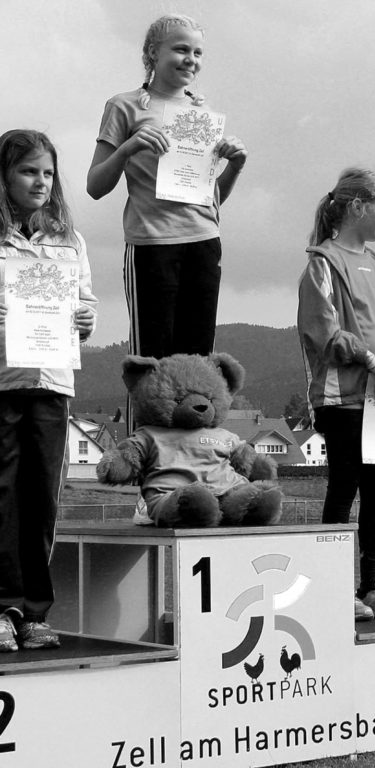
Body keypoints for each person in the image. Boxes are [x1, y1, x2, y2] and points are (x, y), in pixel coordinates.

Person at [86, 13, 247, 360]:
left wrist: (235, 165)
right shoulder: (124, 106)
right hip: (152, 244)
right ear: (152, 53)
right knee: (151, 360)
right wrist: (128, 148)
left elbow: (210, 200)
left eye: (198, 52)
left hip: (204, 243)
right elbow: (95, 186)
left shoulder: (202, 113)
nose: (191, 59)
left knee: (197, 361)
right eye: (181, 49)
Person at [298, 168, 375, 621]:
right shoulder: (323, 263)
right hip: (343, 399)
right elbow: (324, 331)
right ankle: (331, 588)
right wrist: (372, 362)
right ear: (357, 207)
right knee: (344, 486)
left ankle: (370, 586)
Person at [0, 130, 98, 651]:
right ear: (4, 176)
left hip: (52, 383)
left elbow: (86, 305)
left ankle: (35, 613)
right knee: (3, 498)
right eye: (27, 171)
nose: (40, 182)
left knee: (42, 500)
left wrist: (85, 319)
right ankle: (2, 609)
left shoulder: (69, 240)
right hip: (3, 381)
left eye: (47, 172)